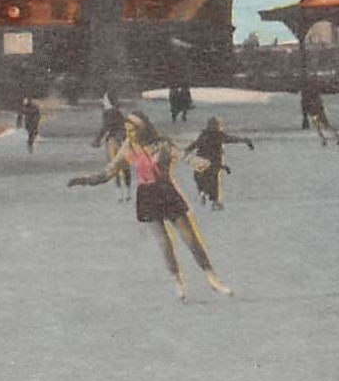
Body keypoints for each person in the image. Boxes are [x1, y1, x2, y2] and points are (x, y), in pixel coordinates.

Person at [68, 113, 232, 301]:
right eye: (127, 130)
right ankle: (178, 281)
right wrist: (84, 180)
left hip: (167, 192)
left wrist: (203, 163)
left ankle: (212, 277)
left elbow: (184, 156)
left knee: (190, 239)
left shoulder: (162, 144)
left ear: (143, 128)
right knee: (164, 243)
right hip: (147, 196)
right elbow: (109, 172)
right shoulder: (129, 148)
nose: (129, 134)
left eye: (133, 130)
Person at [184, 116, 255, 210]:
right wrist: (245, 140)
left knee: (200, 177)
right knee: (214, 181)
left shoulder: (204, 135)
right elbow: (232, 139)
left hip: (201, 161)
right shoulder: (219, 135)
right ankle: (215, 201)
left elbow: (195, 144)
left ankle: (203, 191)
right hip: (214, 162)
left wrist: (186, 151)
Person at [91, 92, 132, 201]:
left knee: (114, 166)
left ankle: (119, 193)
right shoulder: (119, 112)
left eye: (104, 99)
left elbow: (105, 127)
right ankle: (128, 192)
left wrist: (97, 140)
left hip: (113, 141)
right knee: (126, 167)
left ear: (108, 101)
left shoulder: (107, 113)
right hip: (124, 141)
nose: (103, 101)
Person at [301, 81, 339, 146]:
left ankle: (338, 135)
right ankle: (325, 138)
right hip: (314, 112)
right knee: (319, 126)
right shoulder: (309, 96)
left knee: (324, 125)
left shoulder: (310, 96)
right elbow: (304, 105)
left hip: (316, 111)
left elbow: (305, 105)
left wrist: (306, 113)